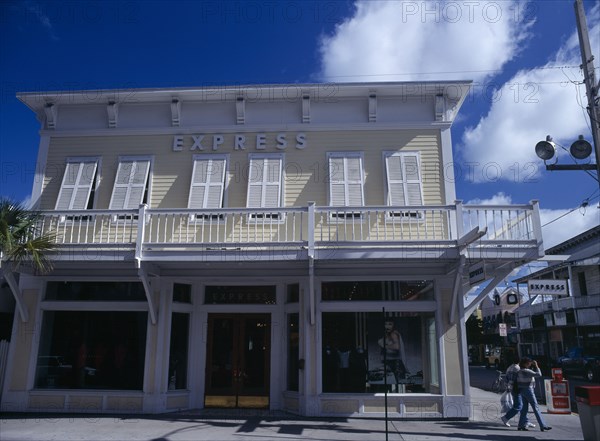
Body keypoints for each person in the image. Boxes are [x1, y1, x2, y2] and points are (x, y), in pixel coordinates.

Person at [516, 357, 552, 432]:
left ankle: (521, 425)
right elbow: (539, 374)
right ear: (525, 363)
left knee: (524, 409)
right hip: (528, 390)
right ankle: (543, 425)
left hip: (522, 390)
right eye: (529, 363)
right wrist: (537, 366)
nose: (530, 364)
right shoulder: (527, 371)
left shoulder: (519, 371)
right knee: (536, 408)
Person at [500, 357, 535, 428]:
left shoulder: (509, 368)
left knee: (522, 406)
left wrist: (508, 387)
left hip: (512, 388)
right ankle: (506, 417)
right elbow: (517, 379)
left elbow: (506, 379)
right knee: (519, 406)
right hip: (517, 389)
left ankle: (526, 421)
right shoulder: (518, 369)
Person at [378, 320, 407, 388]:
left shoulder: (393, 334)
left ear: (394, 325)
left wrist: (384, 345)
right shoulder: (389, 334)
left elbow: (397, 347)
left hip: (396, 363)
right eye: (386, 324)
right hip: (393, 363)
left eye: (390, 324)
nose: (387, 326)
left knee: (398, 384)